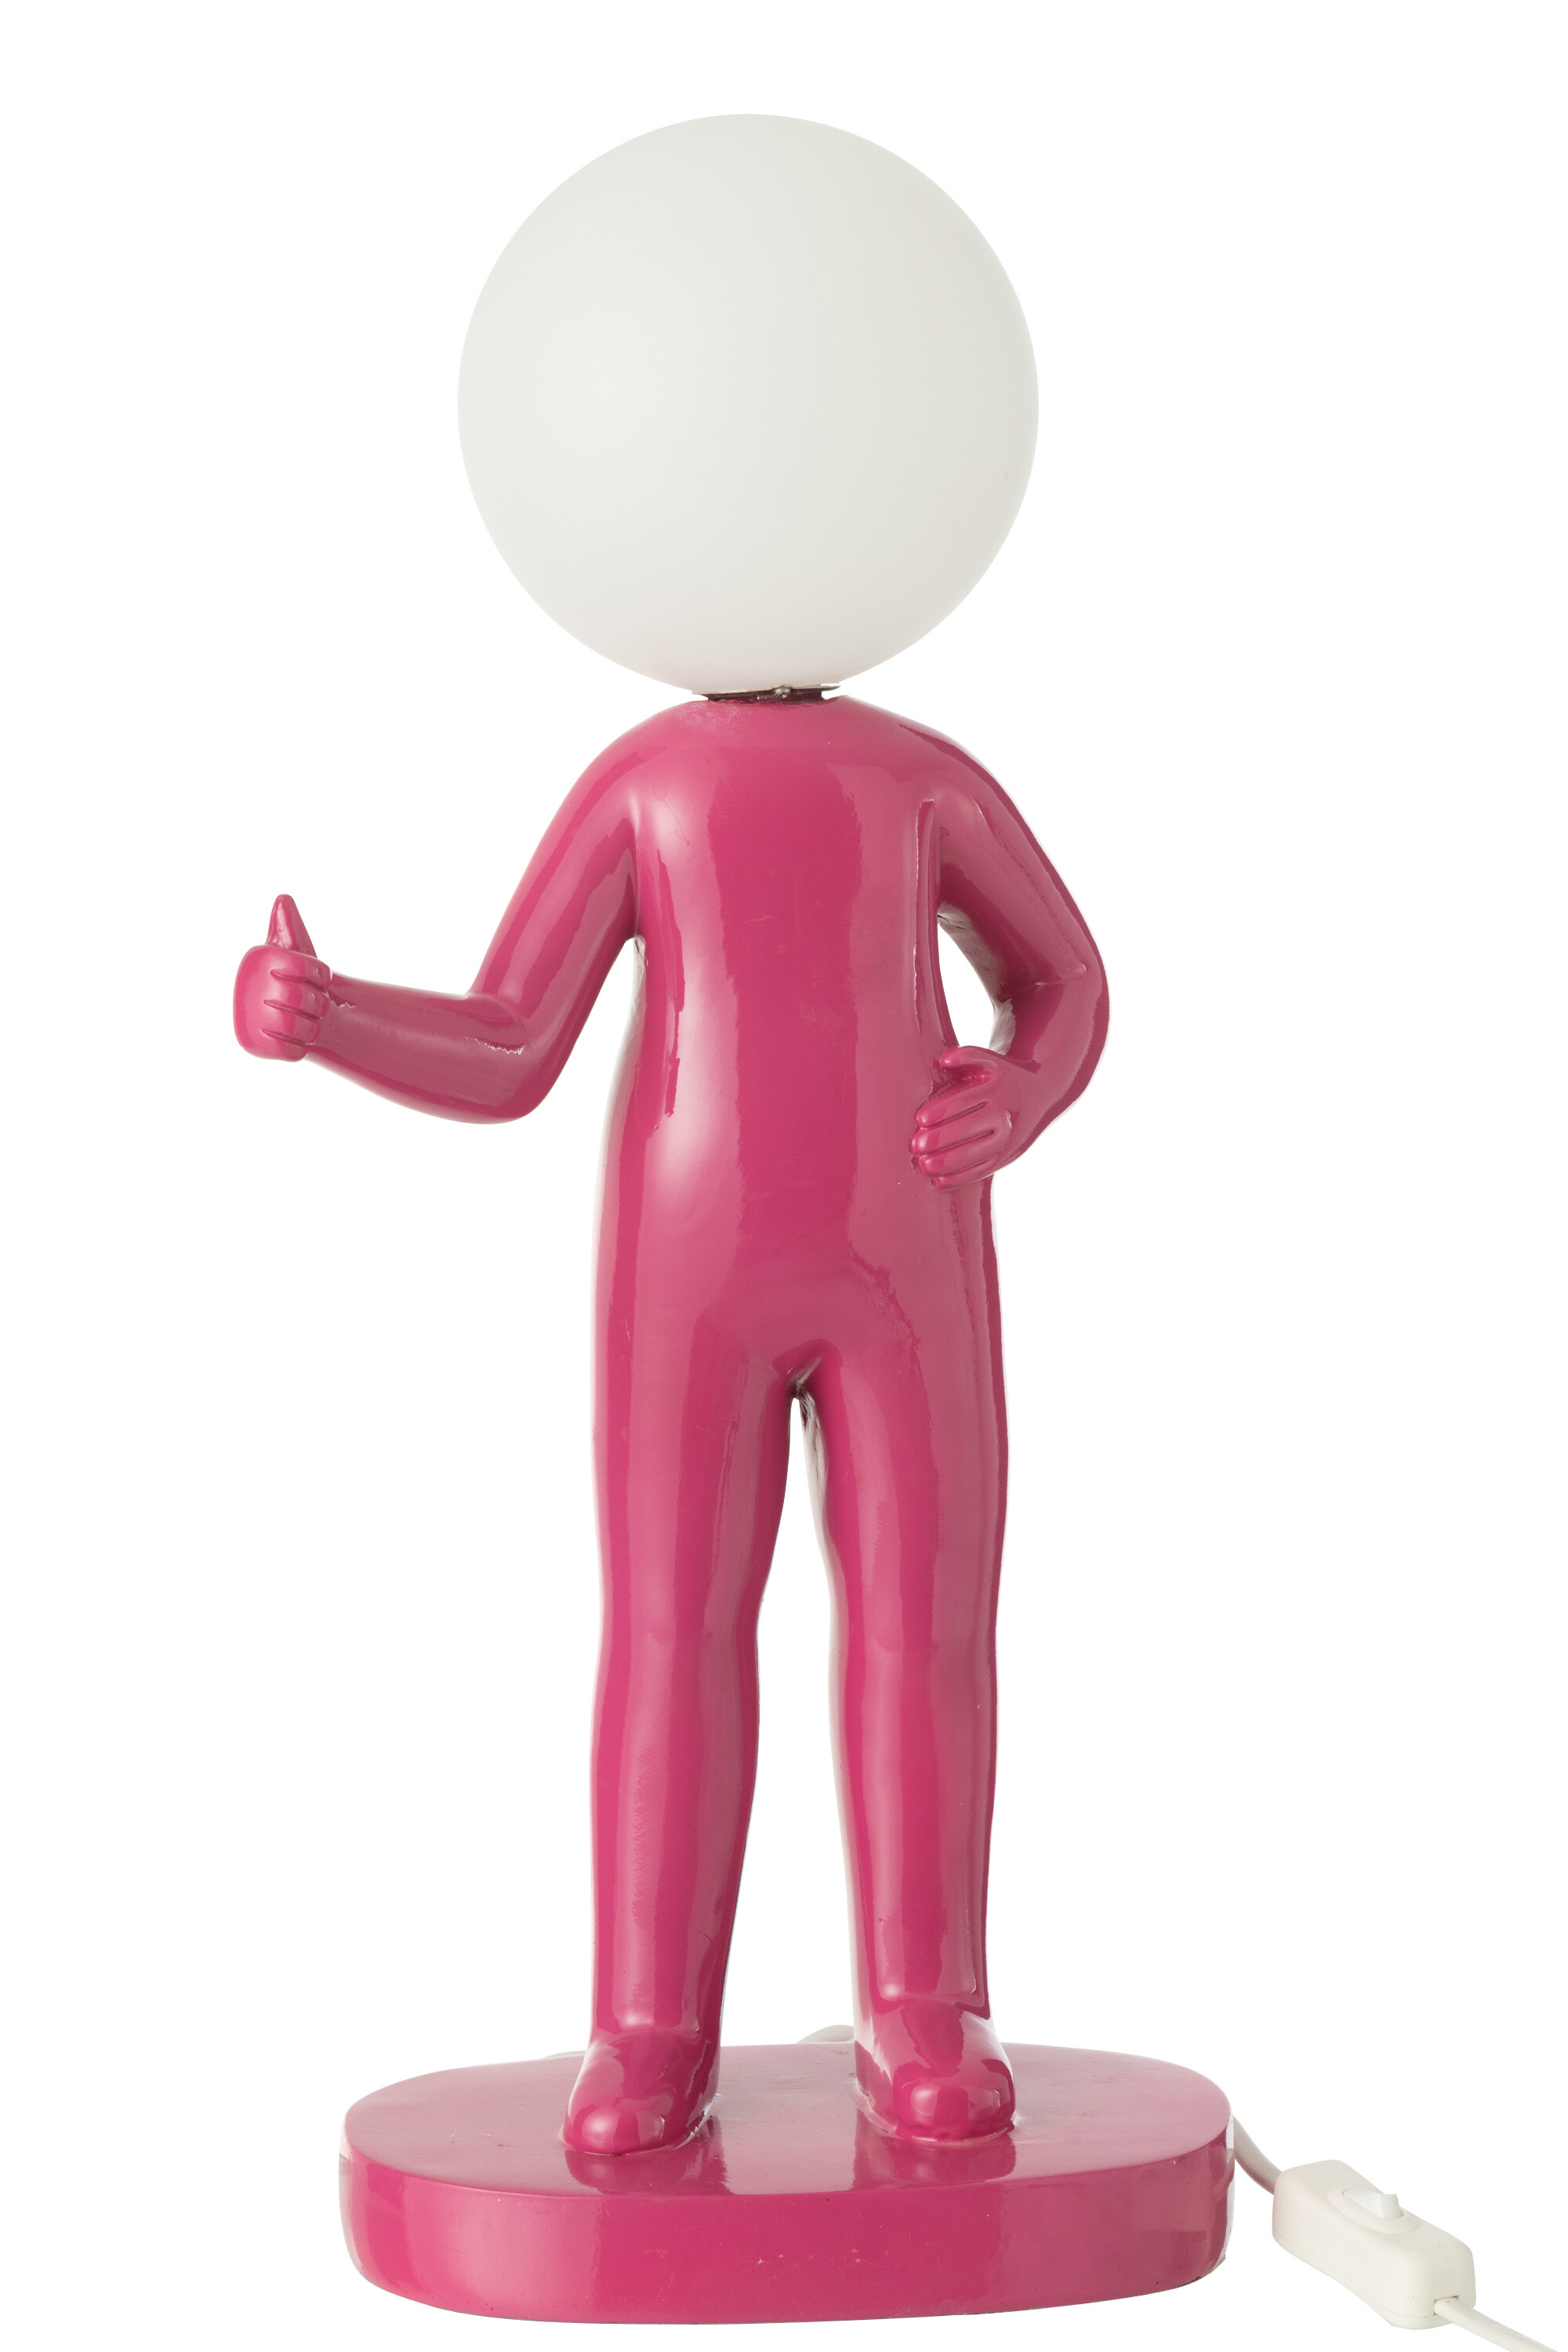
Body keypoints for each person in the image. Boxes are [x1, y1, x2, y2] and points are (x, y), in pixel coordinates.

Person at [234, 115, 1108, 2154]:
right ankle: (648, 2030)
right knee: (669, 1636)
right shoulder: (648, 786)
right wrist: (334, 1017)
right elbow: (514, 1038)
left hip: (906, 1260)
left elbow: (1068, 980)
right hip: (696, 1279)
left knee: (922, 1636)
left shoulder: (920, 780)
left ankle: (925, 2009)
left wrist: (1027, 1084)